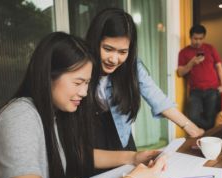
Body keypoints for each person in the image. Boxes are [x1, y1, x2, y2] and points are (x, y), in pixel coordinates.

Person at [0, 32, 166, 178]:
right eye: (78, 82)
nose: (84, 92)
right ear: (48, 76)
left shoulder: (54, 114)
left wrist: (133, 157)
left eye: (87, 83)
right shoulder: (19, 117)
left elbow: (78, 154)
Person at [86, 8, 204, 152]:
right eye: (108, 49)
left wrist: (191, 128)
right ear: (95, 41)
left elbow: (157, 98)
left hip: (122, 141)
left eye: (123, 52)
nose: (114, 59)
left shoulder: (132, 66)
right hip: (91, 145)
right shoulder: (79, 66)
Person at [177, 24, 222, 130]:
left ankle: (206, 138)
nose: (198, 41)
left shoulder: (210, 48)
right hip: (195, 91)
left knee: (211, 118)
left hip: (212, 89)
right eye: (195, 38)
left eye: (201, 38)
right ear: (190, 37)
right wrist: (192, 63)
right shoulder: (184, 52)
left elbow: (219, 66)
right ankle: (205, 133)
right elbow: (180, 73)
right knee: (193, 116)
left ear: (204, 37)